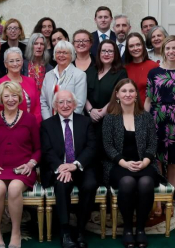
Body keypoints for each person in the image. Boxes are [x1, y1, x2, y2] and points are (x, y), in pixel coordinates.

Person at [0, 81, 41, 248]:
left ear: (20, 97)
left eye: (14, 95)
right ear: (0, 98)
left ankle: (15, 232)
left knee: (15, 188)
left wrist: (31, 164)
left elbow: (38, 149)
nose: (10, 99)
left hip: (22, 169)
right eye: (6, 96)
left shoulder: (29, 119)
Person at [102, 79, 157, 248]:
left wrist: (145, 162)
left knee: (146, 182)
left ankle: (140, 229)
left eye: (131, 91)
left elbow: (152, 144)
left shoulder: (145, 117)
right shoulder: (110, 118)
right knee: (127, 182)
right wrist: (125, 164)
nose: (127, 94)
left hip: (144, 163)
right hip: (118, 165)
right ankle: (127, 229)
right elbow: (108, 146)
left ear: (136, 95)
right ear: (117, 95)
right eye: (124, 91)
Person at [40, 90, 97, 248]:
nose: (65, 105)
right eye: (61, 102)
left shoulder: (85, 122)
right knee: (62, 184)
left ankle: (80, 231)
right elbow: (47, 151)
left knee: (90, 184)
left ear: (75, 104)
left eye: (68, 102)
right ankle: (65, 233)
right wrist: (61, 167)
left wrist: (75, 165)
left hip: (81, 166)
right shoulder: (47, 125)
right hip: (60, 168)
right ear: (55, 105)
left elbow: (91, 147)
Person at [144, 35, 175, 204]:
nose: (171, 51)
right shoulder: (154, 72)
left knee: (173, 161)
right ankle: (158, 198)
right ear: (163, 50)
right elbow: (148, 100)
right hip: (156, 119)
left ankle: (169, 198)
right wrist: (144, 124)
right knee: (156, 159)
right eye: (168, 48)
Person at [84, 40, 128, 177]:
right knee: (92, 154)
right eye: (104, 51)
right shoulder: (90, 71)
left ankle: (108, 184)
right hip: (89, 119)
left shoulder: (121, 72)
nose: (106, 54)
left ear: (115, 54)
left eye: (110, 51)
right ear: (99, 53)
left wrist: (102, 112)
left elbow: (119, 95)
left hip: (110, 119)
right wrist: (90, 110)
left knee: (108, 154)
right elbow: (82, 93)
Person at [40, 41, 87, 119]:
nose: (61, 55)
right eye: (58, 52)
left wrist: (63, 121)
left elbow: (79, 104)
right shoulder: (48, 75)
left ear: (72, 55)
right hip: (50, 121)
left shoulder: (79, 75)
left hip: (72, 122)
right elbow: (43, 101)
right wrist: (49, 121)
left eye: (65, 53)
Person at [0, 47, 42, 122]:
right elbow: (1, 108)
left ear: (22, 62)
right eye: (11, 61)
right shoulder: (0, 83)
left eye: (18, 60)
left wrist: (35, 122)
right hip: (13, 126)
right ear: (5, 64)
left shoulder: (31, 81)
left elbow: (37, 105)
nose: (15, 64)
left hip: (34, 124)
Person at [124, 32, 158, 106]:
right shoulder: (124, 68)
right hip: (128, 110)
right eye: (131, 46)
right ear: (128, 49)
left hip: (148, 111)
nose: (135, 48)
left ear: (143, 46)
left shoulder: (154, 66)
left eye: (138, 45)